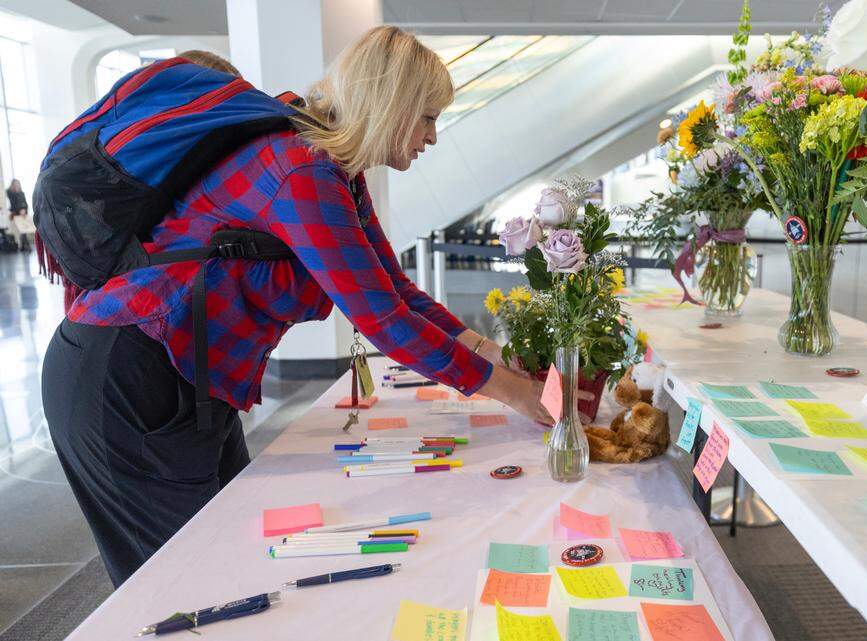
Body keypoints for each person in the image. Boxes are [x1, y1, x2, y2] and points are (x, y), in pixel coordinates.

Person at [42, 26, 551, 587]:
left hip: (181, 373)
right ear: (392, 105)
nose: (433, 135)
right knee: (178, 587)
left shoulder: (334, 168)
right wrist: (512, 392)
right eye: (427, 116)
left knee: (228, 558)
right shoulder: (301, 168)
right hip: (126, 375)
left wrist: (493, 354)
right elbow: (382, 320)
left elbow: (396, 291)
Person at [6, 179, 30, 251]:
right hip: (15, 214)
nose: (17, 185)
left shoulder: (21, 193)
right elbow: (13, 204)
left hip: (22, 215)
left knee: (24, 230)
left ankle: (24, 246)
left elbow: (25, 203)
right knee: (19, 231)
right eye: (15, 184)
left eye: (18, 183)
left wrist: (24, 210)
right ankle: (24, 245)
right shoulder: (10, 193)